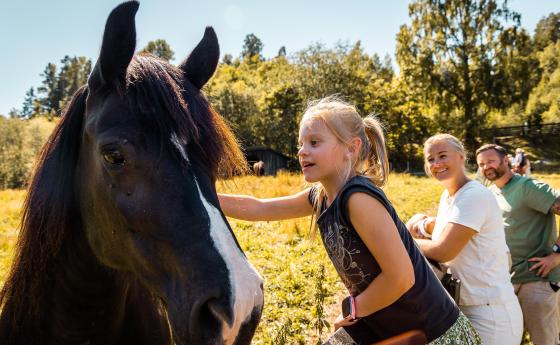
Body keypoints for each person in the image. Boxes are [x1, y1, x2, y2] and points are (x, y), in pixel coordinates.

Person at [219, 97, 480, 344]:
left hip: (432, 332)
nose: (302, 152)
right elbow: (260, 208)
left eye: (314, 142)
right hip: (389, 325)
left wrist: (353, 308)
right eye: (300, 143)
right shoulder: (321, 196)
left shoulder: (358, 198)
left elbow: (401, 278)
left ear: (351, 148)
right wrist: (202, 193)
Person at [407, 134, 523, 345]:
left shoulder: (474, 195)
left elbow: (443, 250)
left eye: (443, 156)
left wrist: (402, 240)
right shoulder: (450, 196)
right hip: (464, 308)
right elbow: (449, 227)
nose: (437, 164)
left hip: (490, 314)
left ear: (461, 157)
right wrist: (423, 223)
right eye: (430, 159)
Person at [476, 144, 560, 345]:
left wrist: (557, 255)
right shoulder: (490, 193)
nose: (486, 167)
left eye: (490, 161)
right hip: (506, 282)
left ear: (506, 160)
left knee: (545, 341)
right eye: (481, 164)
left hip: (537, 281)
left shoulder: (527, 187)